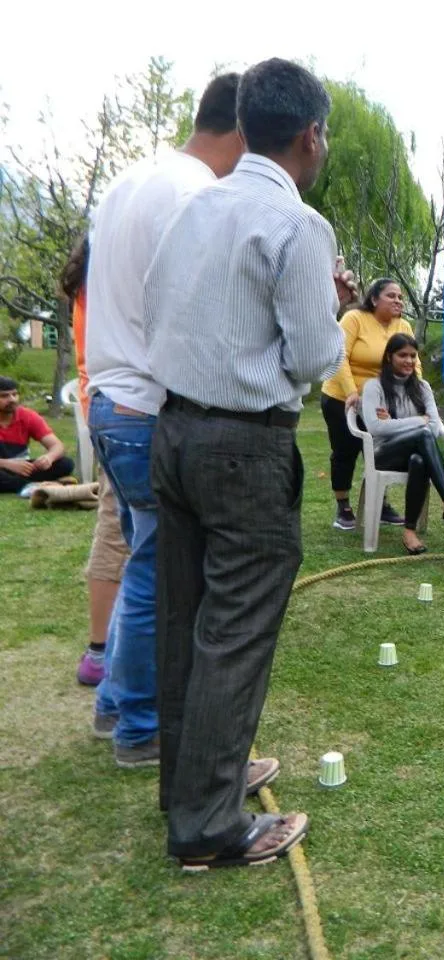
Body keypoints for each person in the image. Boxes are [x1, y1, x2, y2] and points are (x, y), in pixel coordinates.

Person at [144, 58, 349, 870]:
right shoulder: (299, 228)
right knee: (234, 631)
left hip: (174, 432)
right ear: (311, 135)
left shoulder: (193, 210)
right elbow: (310, 359)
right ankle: (208, 827)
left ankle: (190, 783)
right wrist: (328, 307)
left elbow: (162, 308)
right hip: (245, 446)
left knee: (185, 619)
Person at [83, 72, 245, 769]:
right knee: (162, 572)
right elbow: (201, 314)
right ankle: (141, 728)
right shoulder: (197, 195)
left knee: (145, 556)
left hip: (108, 400)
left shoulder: (130, 180)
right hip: (150, 407)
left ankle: (116, 702)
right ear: (241, 130)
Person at [62, 237, 129, 688]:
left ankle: (102, 648)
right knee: (117, 530)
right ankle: (100, 650)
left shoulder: (90, 282)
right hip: (124, 415)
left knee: (117, 526)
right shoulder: (107, 283)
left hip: (104, 413)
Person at [362, 333, 444, 554]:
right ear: (389, 357)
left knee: (418, 458)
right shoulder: (373, 387)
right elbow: (376, 428)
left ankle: (409, 531)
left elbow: (435, 427)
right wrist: (418, 421)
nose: (408, 361)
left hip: (413, 453)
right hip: (383, 453)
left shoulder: (422, 387)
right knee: (422, 435)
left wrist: (395, 423)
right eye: (402, 355)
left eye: (413, 356)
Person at [320, 277, 418, 532]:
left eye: (400, 297)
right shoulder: (354, 319)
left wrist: (417, 396)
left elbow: (413, 364)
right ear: (374, 299)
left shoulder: (403, 326)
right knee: (345, 452)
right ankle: (343, 506)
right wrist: (352, 392)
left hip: (381, 402)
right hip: (342, 397)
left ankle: (381, 504)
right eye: (391, 296)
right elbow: (338, 357)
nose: (398, 300)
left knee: (381, 452)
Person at [0, 376, 74, 493]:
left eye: (15, 394)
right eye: (4, 396)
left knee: (65, 464)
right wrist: (6, 464)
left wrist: (48, 458)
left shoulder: (27, 416)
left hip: (22, 468)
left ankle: (21, 484)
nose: (12, 399)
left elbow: (57, 446)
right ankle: (33, 485)